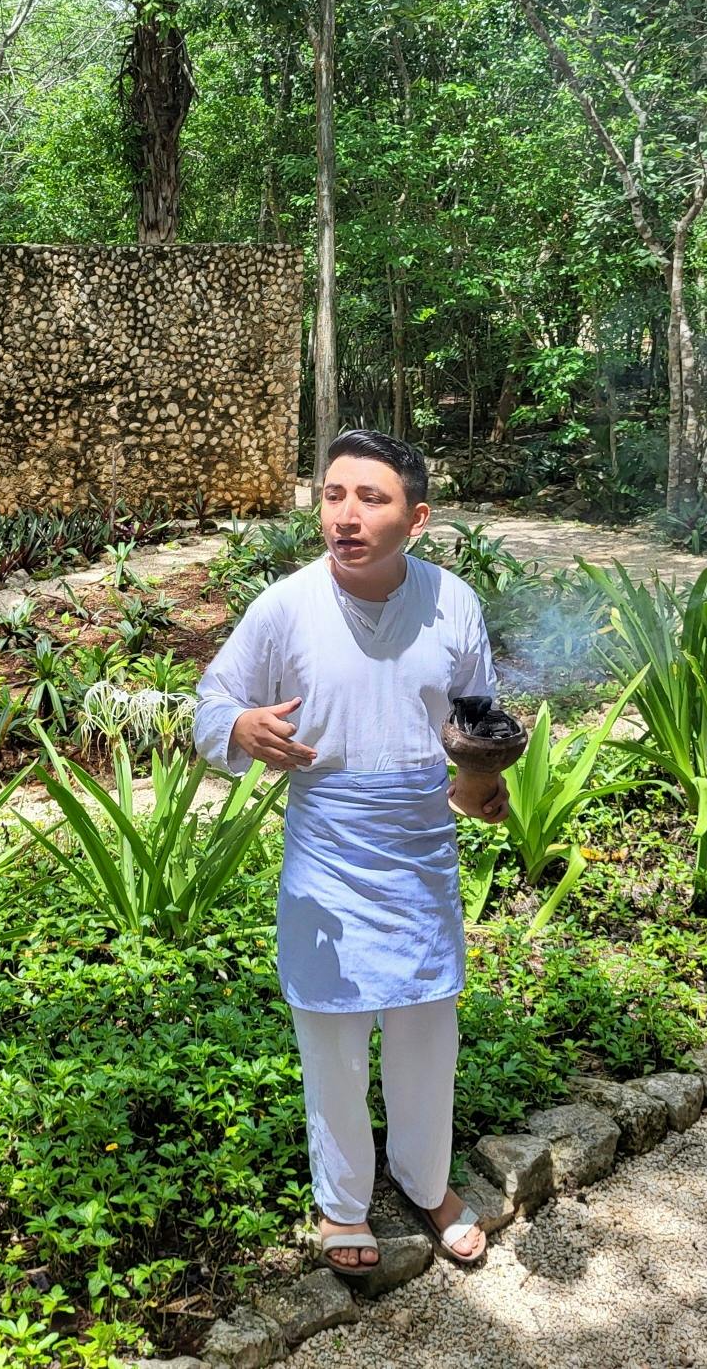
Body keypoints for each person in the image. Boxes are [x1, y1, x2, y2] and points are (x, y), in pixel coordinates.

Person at [193, 428, 509, 1274]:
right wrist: (238, 725)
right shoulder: (285, 606)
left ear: (417, 516)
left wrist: (482, 775)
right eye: (333, 495)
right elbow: (212, 698)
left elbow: (476, 713)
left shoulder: (453, 603)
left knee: (424, 1032)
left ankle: (426, 1180)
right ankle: (341, 1206)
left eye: (371, 498)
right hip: (327, 846)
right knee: (330, 1038)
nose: (345, 514)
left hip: (419, 844)